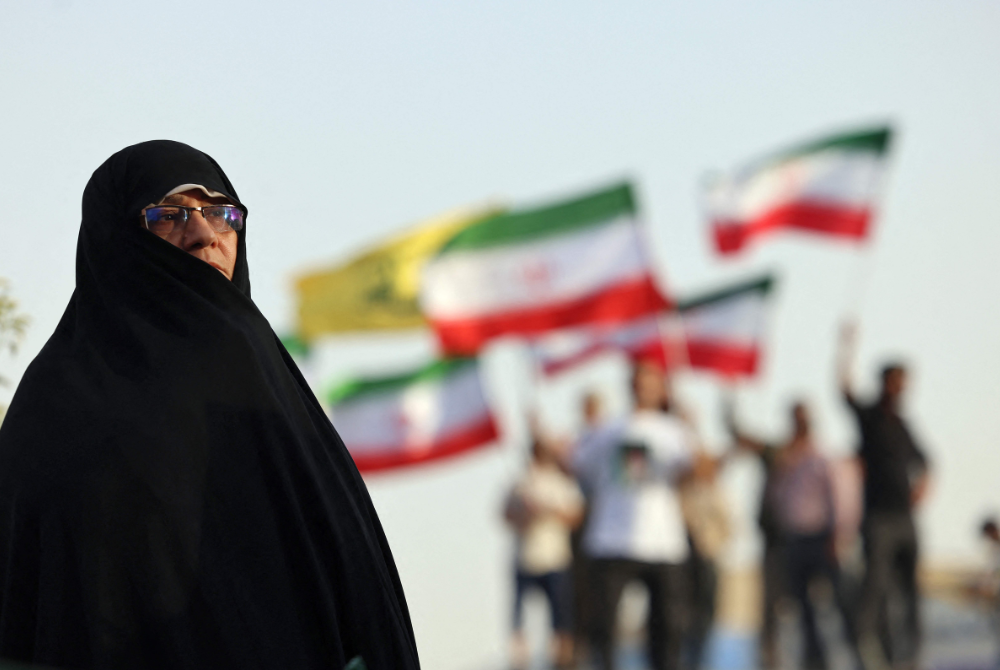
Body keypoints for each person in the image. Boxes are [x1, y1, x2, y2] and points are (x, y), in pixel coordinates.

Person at [0, 141, 420, 669]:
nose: (204, 235)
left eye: (221, 214)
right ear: (116, 241)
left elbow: (351, 590)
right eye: (169, 216)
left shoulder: (260, 377)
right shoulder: (55, 414)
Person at [572, 360, 694, 670]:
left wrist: (691, 429)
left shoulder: (675, 431)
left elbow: (694, 473)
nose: (644, 387)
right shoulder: (607, 429)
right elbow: (576, 465)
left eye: (651, 380)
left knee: (667, 633)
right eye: (640, 380)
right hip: (612, 540)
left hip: (663, 543)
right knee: (605, 632)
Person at [839, 324, 930, 670]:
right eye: (897, 381)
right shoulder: (870, 417)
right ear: (885, 383)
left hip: (905, 518)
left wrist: (923, 485)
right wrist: (846, 348)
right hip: (878, 519)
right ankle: (866, 647)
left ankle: (911, 654)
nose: (902, 388)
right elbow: (843, 390)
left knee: (909, 589)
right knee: (875, 586)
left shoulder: (903, 424)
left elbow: (925, 461)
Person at [769, 403, 855, 670]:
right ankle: (815, 661)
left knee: (841, 601)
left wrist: (840, 534)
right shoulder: (786, 462)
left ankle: (858, 653)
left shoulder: (824, 459)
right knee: (801, 606)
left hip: (824, 539)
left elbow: (842, 498)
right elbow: (777, 499)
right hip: (795, 539)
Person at [504, 432, 585, 669]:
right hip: (526, 560)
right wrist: (526, 514)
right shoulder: (522, 483)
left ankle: (561, 660)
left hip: (555, 559)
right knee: (520, 618)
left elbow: (575, 516)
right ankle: (520, 660)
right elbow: (506, 514)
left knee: (561, 618)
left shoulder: (561, 483)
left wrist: (548, 512)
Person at [723, 397, 788, 670]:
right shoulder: (775, 452)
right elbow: (738, 433)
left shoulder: (813, 456)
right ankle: (769, 655)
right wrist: (729, 400)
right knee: (770, 602)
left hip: (807, 542)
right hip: (774, 540)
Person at [679, 451, 731, 670]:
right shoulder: (683, 492)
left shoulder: (717, 493)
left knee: (707, 608)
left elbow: (728, 526)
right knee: (684, 608)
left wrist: (711, 544)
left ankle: (700, 655)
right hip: (685, 559)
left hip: (709, 557)